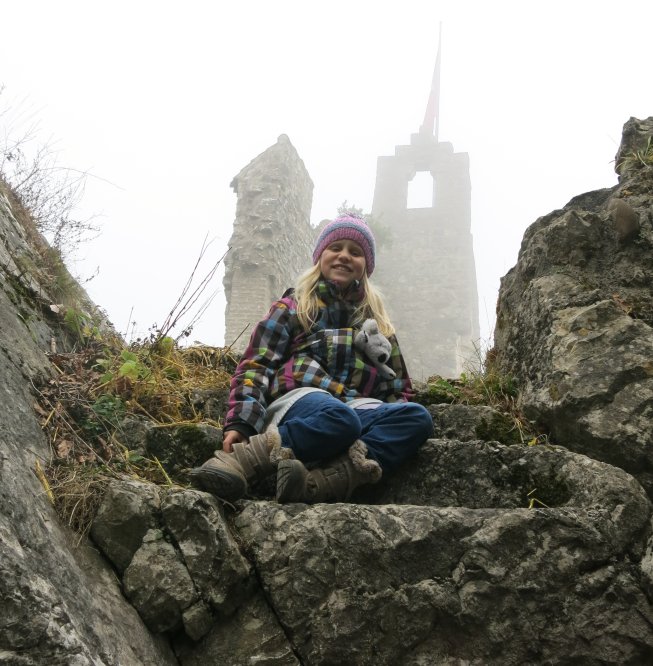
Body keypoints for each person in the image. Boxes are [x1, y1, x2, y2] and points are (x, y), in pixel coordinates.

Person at [191, 214, 433, 503]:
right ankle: (243, 460)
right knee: (340, 417)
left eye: (355, 252)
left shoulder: (378, 326)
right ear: (320, 256)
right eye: (336, 248)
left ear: (365, 267)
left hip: (357, 411)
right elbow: (257, 365)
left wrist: (391, 421)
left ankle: (316, 484)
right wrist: (242, 423)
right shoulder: (293, 307)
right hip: (301, 403)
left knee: (418, 417)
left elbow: (398, 389)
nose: (344, 256)